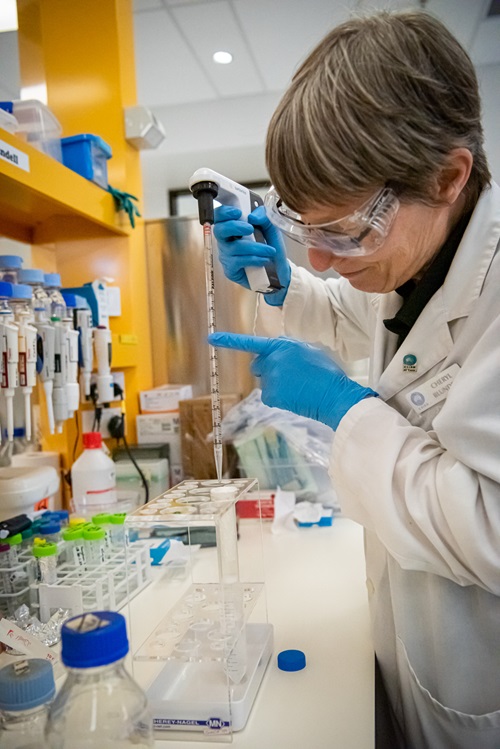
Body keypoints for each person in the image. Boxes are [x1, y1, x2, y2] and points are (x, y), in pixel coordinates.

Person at [208, 10, 500, 749]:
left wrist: (347, 410)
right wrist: (284, 283)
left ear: (449, 175)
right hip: (410, 653)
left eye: (345, 230)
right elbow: (361, 315)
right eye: (310, 227)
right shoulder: (419, 254)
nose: (329, 259)